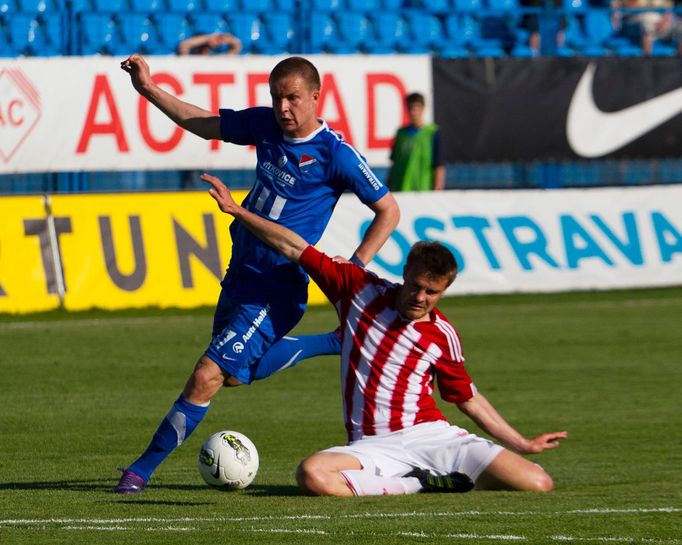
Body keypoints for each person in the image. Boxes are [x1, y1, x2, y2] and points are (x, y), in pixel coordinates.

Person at [114, 55, 400, 494]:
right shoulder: (265, 125)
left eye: (292, 98)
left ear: (315, 97)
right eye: (276, 97)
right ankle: (329, 342)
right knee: (231, 375)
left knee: (207, 375)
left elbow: (388, 209)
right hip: (241, 270)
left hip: (277, 286)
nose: (283, 107)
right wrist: (148, 89)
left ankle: (140, 471)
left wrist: (355, 266)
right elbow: (204, 122)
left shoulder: (336, 154)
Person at [203, 173, 568, 497]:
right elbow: (293, 246)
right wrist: (237, 211)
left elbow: (466, 397)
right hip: (374, 445)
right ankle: (420, 482)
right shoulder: (357, 289)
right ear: (405, 273)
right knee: (312, 475)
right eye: (417, 286)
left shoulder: (443, 334)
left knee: (537, 483)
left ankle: (440, 475)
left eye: (433, 293)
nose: (421, 298)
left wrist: (521, 442)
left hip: (433, 436)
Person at [387, 92, 445, 192]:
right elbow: (394, 162)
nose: (413, 112)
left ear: (423, 109)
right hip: (400, 189)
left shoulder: (432, 133)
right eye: (410, 108)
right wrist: (388, 185)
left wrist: (438, 187)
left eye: (416, 108)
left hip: (423, 189)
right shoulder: (400, 134)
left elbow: (439, 164)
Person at [177, 32, 243, 55]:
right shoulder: (194, 59)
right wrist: (207, 38)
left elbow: (238, 46)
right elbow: (184, 45)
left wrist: (228, 39)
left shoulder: (218, 59)